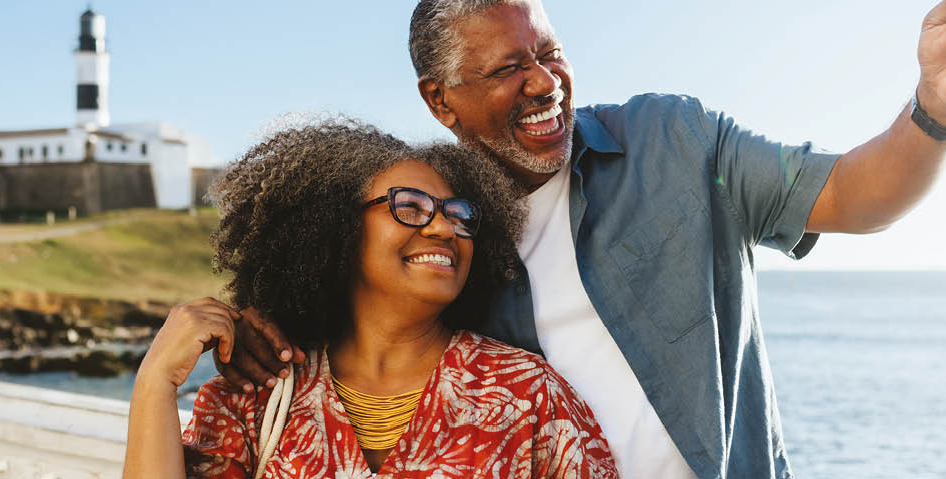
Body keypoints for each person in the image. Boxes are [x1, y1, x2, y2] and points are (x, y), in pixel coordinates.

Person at [218, 1, 946, 478]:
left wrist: (938, 105)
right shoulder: (443, 237)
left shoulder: (673, 142)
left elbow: (856, 194)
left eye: (552, 52)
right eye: (507, 68)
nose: (543, 82)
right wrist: (263, 328)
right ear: (442, 102)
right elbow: (350, 324)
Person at [122, 119, 619, 478]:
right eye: (411, 207)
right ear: (336, 227)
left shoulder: (527, 396)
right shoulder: (256, 397)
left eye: (460, 213)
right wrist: (155, 383)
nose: (445, 227)